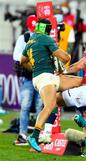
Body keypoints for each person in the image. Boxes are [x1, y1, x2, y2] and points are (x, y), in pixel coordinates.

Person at [20, 18, 82, 152]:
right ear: (48, 29)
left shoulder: (30, 41)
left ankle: (48, 132)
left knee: (79, 82)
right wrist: (67, 57)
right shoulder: (46, 39)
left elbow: (22, 61)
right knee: (50, 106)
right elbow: (65, 58)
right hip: (46, 78)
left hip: (44, 77)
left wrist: (34, 69)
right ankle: (34, 136)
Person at [13, 15, 43, 145]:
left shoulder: (42, 38)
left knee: (39, 107)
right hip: (29, 76)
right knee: (27, 106)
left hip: (40, 77)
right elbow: (16, 55)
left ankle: (37, 135)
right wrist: (30, 59)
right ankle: (23, 134)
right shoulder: (24, 38)